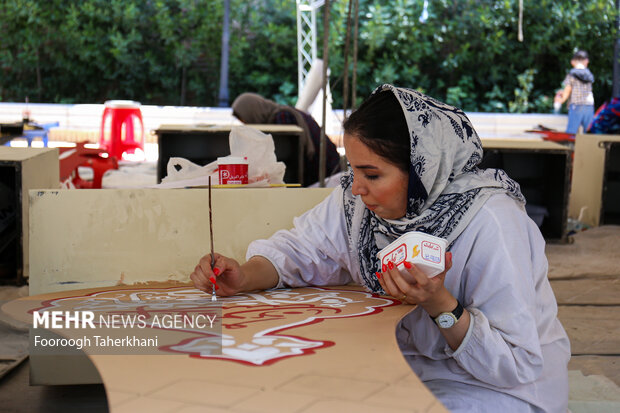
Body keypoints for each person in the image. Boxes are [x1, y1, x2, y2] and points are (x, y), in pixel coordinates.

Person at [193, 85, 570, 412]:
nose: (356, 187)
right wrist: (244, 276)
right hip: (408, 367)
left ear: (424, 169)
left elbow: (515, 363)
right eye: (353, 170)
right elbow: (300, 249)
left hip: (495, 389)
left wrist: (438, 303)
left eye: (372, 175)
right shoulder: (358, 203)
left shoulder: (491, 223)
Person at [231, 92, 341, 186]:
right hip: (324, 174)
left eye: (246, 120)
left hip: (325, 178)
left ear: (252, 112)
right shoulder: (282, 114)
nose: (247, 124)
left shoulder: (283, 117)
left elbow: (286, 158)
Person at [554, 50, 595, 134]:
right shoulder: (589, 74)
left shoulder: (572, 74)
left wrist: (561, 100)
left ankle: (571, 147)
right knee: (589, 133)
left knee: (571, 133)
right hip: (589, 105)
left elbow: (568, 89)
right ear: (586, 61)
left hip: (576, 106)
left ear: (573, 62)